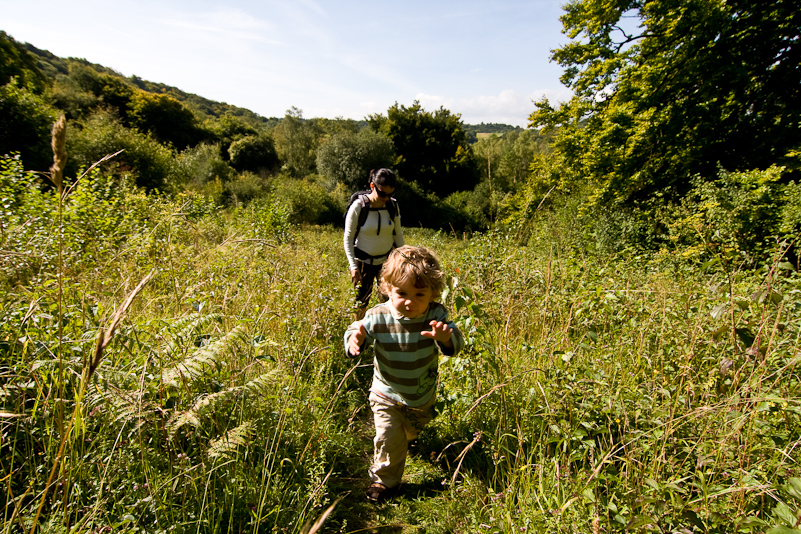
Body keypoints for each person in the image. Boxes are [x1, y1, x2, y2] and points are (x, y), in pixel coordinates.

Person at [344, 245, 465, 502]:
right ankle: (384, 482)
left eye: (419, 294)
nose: (409, 301)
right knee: (388, 435)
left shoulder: (435, 315)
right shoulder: (378, 316)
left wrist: (446, 337)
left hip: (421, 394)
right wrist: (355, 339)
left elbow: (455, 341)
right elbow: (357, 328)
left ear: (433, 293)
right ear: (388, 288)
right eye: (401, 293)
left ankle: (406, 439)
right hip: (385, 391)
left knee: (409, 432)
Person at [344, 168, 404, 320]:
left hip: (387, 263)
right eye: (382, 193)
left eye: (391, 194)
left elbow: (398, 234)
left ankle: (386, 334)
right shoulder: (359, 207)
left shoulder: (393, 206)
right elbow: (348, 238)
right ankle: (359, 334)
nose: (386, 198)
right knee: (361, 302)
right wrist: (353, 267)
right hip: (363, 263)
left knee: (389, 301)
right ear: (372, 186)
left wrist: (403, 259)